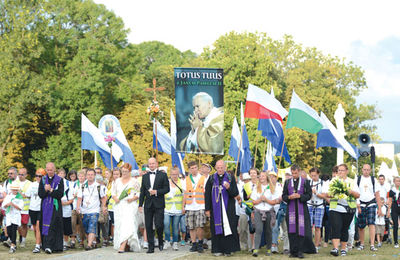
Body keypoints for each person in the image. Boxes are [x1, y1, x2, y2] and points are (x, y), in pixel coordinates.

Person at [205, 160, 240, 256]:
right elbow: (207, 194)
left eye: (222, 167)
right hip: (215, 208)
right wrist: (207, 209)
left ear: (225, 167)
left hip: (228, 208)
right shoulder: (211, 178)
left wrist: (229, 188)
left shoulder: (230, 178)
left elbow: (235, 194)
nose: (220, 169)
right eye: (218, 167)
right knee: (216, 228)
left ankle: (228, 250)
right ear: (216, 168)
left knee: (228, 228)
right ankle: (217, 249)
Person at [138, 157, 170, 254]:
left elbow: (167, 189)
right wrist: (140, 204)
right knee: (148, 225)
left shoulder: (163, 175)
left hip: (159, 204)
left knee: (159, 224)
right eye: (150, 164)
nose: (151, 165)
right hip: (148, 204)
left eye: (153, 163)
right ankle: (150, 247)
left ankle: (160, 240)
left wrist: (156, 192)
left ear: (156, 164)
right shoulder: (145, 176)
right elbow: (142, 192)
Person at [328, 163, 360, 257]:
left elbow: (358, 195)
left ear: (347, 171)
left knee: (344, 228)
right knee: (336, 227)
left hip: (348, 208)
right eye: (339, 170)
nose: (340, 172)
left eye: (342, 170)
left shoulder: (352, 181)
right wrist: (334, 192)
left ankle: (343, 249)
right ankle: (335, 248)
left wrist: (350, 192)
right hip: (335, 207)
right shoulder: (334, 181)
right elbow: (327, 194)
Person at [282, 164, 313, 258]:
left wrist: (300, 196)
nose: (294, 175)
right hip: (291, 209)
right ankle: (293, 251)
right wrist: (289, 197)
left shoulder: (305, 182)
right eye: (292, 173)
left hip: (302, 209)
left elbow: (309, 195)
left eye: (295, 173)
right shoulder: (287, 182)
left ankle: (300, 251)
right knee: (291, 230)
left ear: (299, 171)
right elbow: (283, 196)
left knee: (301, 230)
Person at [112, 163, 141, 253]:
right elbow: (113, 193)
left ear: (130, 172)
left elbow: (138, 194)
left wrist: (132, 199)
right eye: (123, 171)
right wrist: (116, 198)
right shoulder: (117, 181)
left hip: (130, 205)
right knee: (120, 225)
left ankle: (122, 245)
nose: (124, 173)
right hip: (119, 206)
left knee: (128, 224)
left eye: (126, 171)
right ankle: (127, 244)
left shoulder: (134, 181)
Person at [76, 168, 107, 250]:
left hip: (95, 210)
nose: (90, 176)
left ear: (94, 176)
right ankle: (92, 241)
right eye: (88, 175)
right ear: (86, 176)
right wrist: (78, 207)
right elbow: (79, 198)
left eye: (92, 175)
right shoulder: (82, 186)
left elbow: (103, 198)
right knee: (86, 228)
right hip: (84, 210)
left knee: (92, 226)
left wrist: (103, 207)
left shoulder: (98, 186)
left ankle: (89, 245)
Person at [251, 171, 280, 256]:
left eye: (263, 176)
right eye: (260, 176)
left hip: (268, 211)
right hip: (258, 211)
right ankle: (256, 249)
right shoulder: (256, 187)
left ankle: (269, 249)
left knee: (268, 230)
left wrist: (266, 200)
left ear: (267, 177)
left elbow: (274, 202)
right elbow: (253, 202)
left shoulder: (272, 188)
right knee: (259, 229)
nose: (261, 177)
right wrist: (260, 200)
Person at [38, 162, 64, 254]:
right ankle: (46, 246)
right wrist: (45, 190)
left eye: (51, 169)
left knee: (54, 225)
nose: (49, 171)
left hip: (55, 208)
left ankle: (56, 246)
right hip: (45, 207)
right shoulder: (43, 179)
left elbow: (60, 194)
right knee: (45, 225)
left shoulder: (60, 180)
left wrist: (51, 190)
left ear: (54, 169)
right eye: (48, 170)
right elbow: (40, 194)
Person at [182, 161, 207, 253]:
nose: (194, 169)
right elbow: (184, 194)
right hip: (189, 205)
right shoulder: (186, 179)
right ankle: (194, 243)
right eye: (192, 168)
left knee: (200, 225)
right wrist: (183, 206)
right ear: (189, 169)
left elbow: (206, 193)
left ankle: (200, 242)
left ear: (198, 168)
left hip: (200, 204)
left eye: (195, 167)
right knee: (191, 227)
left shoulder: (203, 178)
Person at [356, 164, 381, 251]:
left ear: (370, 170)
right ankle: (362, 244)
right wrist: (357, 204)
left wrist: (380, 208)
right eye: (364, 169)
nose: (366, 171)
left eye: (368, 170)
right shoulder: (358, 179)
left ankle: (372, 245)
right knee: (361, 225)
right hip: (361, 203)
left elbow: (377, 194)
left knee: (371, 223)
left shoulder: (373, 180)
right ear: (362, 170)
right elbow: (355, 193)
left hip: (371, 203)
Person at [163, 166, 185, 251]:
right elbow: (163, 192)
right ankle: (167, 240)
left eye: (176, 174)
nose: (174, 176)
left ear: (178, 174)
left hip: (177, 208)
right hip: (167, 208)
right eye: (172, 174)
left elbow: (184, 196)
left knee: (175, 227)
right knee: (166, 224)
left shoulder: (182, 182)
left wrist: (183, 207)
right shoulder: (166, 182)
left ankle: (175, 242)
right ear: (170, 174)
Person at [307, 167, 327, 251]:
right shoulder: (308, 183)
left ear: (318, 174)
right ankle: (309, 245)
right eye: (312, 175)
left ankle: (316, 245)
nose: (313, 177)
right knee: (309, 226)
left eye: (315, 175)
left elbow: (324, 196)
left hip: (319, 206)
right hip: (309, 205)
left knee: (318, 227)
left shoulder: (323, 183)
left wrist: (316, 193)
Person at [271, 171, 291, 255]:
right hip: (272, 210)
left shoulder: (281, 186)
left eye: (274, 177)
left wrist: (280, 199)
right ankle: (274, 246)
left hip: (283, 209)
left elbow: (283, 197)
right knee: (275, 228)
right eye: (270, 177)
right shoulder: (267, 187)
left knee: (286, 228)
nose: (272, 178)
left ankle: (286, 247)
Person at [2, 182, 24, 254]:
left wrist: (13, 204)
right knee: (9, 231)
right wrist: (7, 205)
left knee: (14, 230)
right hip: (9, 215)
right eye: (13, 190)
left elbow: (20, 208)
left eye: (16, 190)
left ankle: (12, 246)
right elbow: (3, 206)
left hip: (16, 216)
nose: (14, 191)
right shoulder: (8, 196)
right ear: (11, 190)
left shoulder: (20, 197)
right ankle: (13, 242)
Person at [28, 168, 45, 253]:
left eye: (40, 176)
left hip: (40, 209)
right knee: (34, 228)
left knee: (38, 227)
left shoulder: (45, 184)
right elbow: (27, 194)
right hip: (32, 208)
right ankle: (39, 242)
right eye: (37, 176)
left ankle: (37, 246)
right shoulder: (32, 184)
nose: (38, 177)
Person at [58, 169, 74, 251]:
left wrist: (65, 203)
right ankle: (59, 242)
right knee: (59, 226)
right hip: (58, 210)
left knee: (66, 227)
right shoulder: (55, 185)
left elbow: (71, 199)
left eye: (63, 173)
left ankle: (65, 243)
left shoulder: (68, 187)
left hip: (66, 209)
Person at [237, 172, 252, 251]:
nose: (246, 181)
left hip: (251, 210)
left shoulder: (253, 187)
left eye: (248, 180)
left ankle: (250, 246)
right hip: (243, 211)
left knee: (251, 229)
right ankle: (243, 244)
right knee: (242, 229)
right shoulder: (240, 187)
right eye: (245, 180)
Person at [16, 167, 31, 248]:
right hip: (17, 208)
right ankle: (20, 237)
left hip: (25, 208)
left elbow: (28, 195)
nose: (20, 176)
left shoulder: (29, 184)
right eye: (19, 174)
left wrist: (21, 193)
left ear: (26, 175)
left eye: (22, 174)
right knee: (18, 224)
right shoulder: (15, 182)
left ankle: (23, 240)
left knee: (24, 224)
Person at [72, 170, 86, 248]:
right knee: (73, 223)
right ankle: (73, 240)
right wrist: (75, 195)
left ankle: (82, 241)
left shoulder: (86, 184)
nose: (81, 177)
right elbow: (72, 194)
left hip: (83, 207)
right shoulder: (75, 184)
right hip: (74, 206)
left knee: (81, 225)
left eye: (82, 176)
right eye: (79, 176)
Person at [388, 176, 400, 248]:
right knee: (395, 225)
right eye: (397, 181)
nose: (398, 182)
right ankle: (396, 242)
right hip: (395, 208)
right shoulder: (392, 191)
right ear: (394, 182)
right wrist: (388, 211)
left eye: (399, 181)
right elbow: (390, 201)